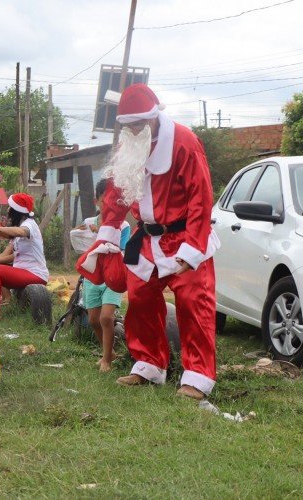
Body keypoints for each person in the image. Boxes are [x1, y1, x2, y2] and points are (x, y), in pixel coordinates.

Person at [76, 83, 219, 400]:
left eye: (138, 123)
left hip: (185, 235)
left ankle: (196, 377)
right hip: (147, 238)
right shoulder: (130, 145)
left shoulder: (184, 142)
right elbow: (116, 194)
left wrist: (192, 248)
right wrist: (108, 234)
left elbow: (200, 198)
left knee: (195, 303)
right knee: (140, 299)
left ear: (153, 117)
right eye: (128, 125)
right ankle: (149, 365)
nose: (133, 129)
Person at [73, 179, 130, 372]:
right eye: (106, 201)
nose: (111, 206)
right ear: (97, 201)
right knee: (93, 320)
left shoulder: (123, 226)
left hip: (112, 275)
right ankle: (110, 351)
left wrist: (102, 236)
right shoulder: (88, 223)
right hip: (93, 276)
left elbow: (120, 249)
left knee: (106, 317)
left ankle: (106, 359)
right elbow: (77, 241)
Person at [0, 193, 49, 322]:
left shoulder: (29, 225)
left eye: (11, 208)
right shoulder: (22, 225)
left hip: (35, 274)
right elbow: (14, 253)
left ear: (17, 211)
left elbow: (22, 232)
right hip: (23, 271)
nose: (9, 211)